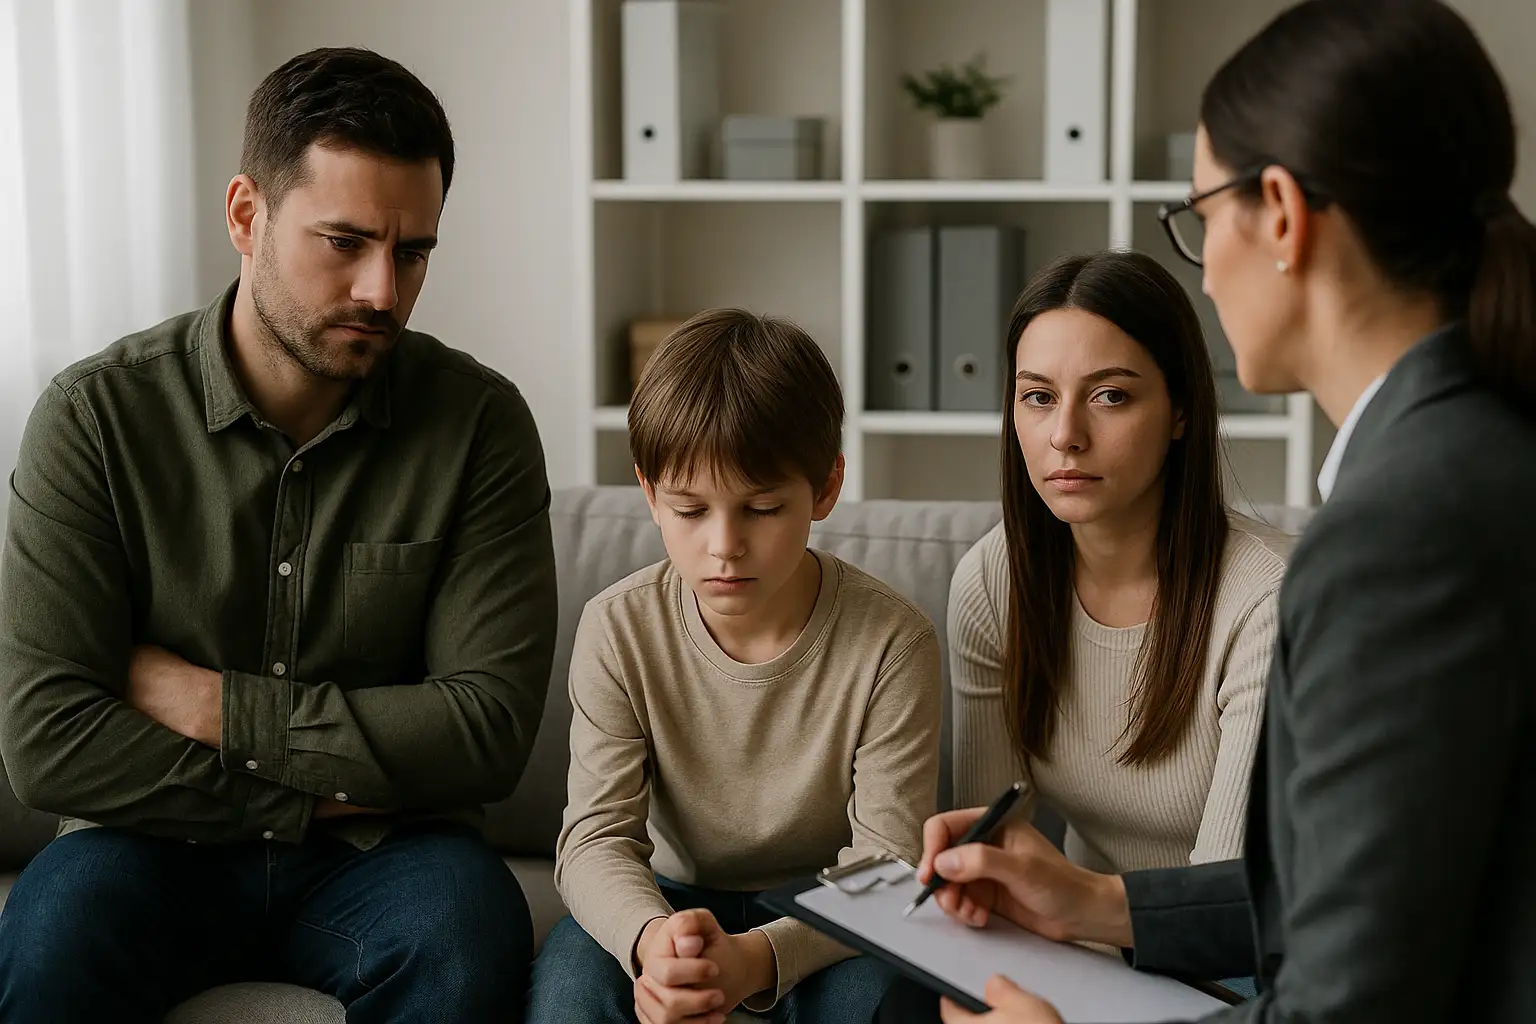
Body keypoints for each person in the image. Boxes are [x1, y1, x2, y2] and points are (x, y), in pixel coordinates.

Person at [903, 2, 1536, 1022]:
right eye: (1036, 397)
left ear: (1279, 212)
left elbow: (1351, 1001)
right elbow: (1363, 891)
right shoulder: (1475, 451)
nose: (1202, 265)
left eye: (1199, 214)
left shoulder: (1401, 530)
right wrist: (1095, 901)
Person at [0, 48, 557, 1023]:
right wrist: (306, 795)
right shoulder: (94, 418)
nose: (382, 290)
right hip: (142, 843)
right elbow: (49, 742)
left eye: (412, 252)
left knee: (468, 938)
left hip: (389, 857)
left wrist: (214, 705)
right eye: (344, 241)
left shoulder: (479, 426)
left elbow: (485, 734)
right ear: (245, 215)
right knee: (51, 938)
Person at [526, 308, 942, 1024]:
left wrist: (757, 957)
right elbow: (594, 839)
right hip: (667, 900)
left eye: (762, 508)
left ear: (825, 488)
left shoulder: (891, 641)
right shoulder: (618, 628)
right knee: (570, 987)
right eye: (690, 510)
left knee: (883, 996)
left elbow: (889, 867)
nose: (724, 546)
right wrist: (653, 941)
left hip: (823, 906)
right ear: (650, 494)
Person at [949, 249, 1286, 877]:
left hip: (1232, 938)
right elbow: (988, 850)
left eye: (1110, 396)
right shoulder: (994, 581)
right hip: (1073, 929)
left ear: (1181, 410)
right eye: (1038, 396)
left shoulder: (1269, 601)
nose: (1065, 435)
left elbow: (1226, 902)